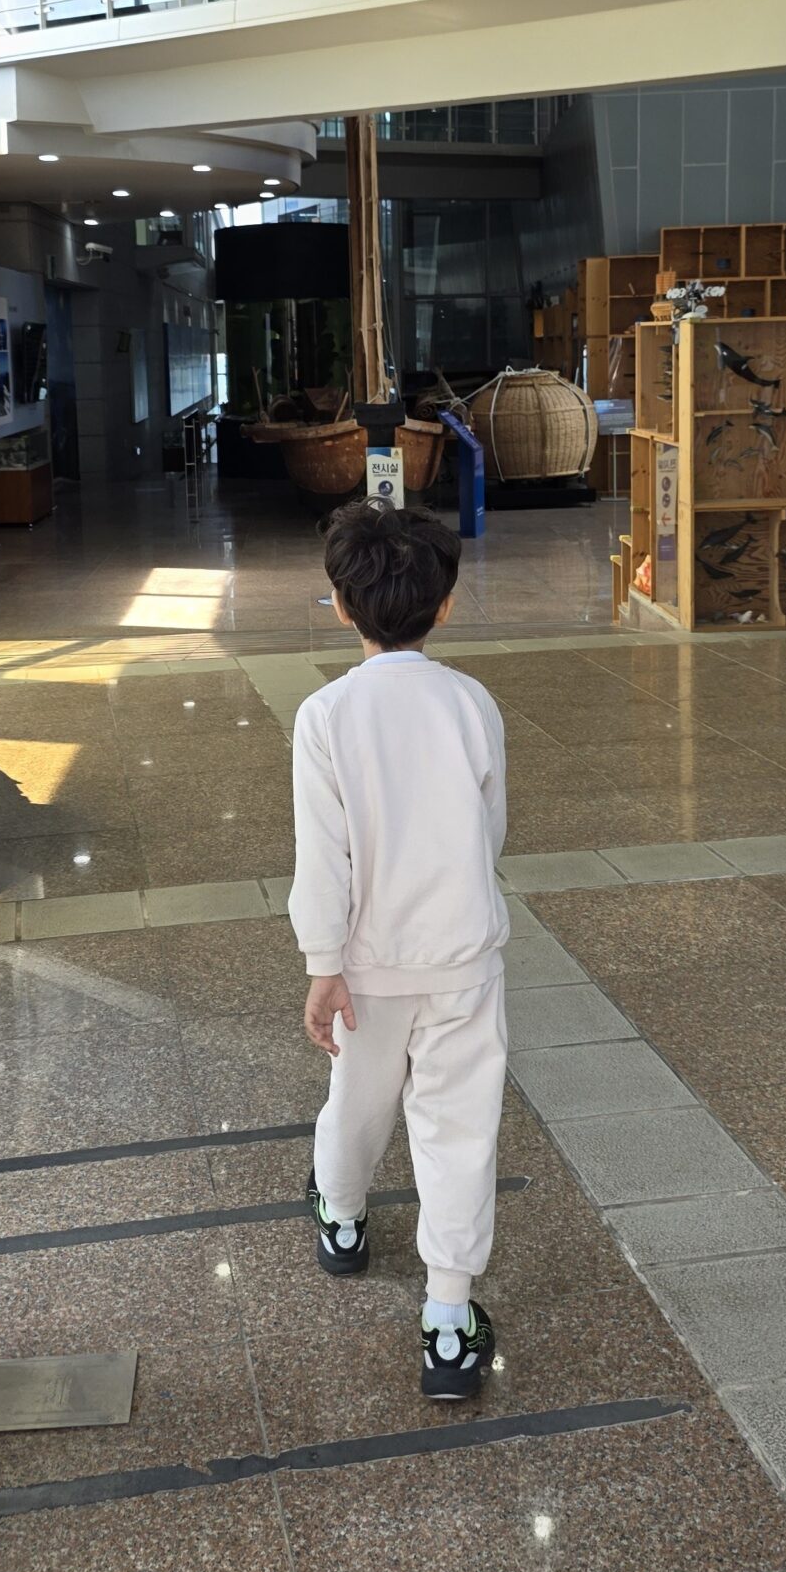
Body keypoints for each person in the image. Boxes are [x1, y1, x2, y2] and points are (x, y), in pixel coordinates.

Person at [289, 498, 509, 1398]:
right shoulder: (472, 703)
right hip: (462, 957)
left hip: (367, 966)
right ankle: (448, 1321)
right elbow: (489, 831)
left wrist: (322, 966)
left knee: (358, 1101)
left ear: (340, 606)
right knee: (460, 1131)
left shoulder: (326, 715)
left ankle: (342, 1220)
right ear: (445, 606)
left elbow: (323, 855)